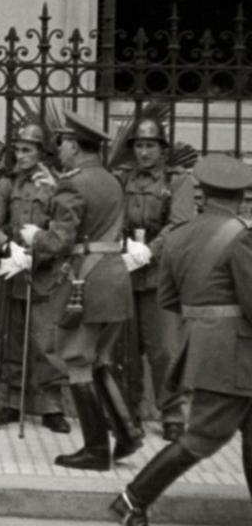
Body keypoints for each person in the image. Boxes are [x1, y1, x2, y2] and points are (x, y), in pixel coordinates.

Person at [109, 154, 252, 526]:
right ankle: (132, 499)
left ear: (204, 193)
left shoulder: (179, 235)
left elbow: (168, 299)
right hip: (235, 353)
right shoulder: (241, 236)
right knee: (203, 437)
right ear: (240, 195)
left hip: (206, 347)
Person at [22, 110, 146, 470]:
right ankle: (126, 434)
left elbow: (61, 239)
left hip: (86, 283)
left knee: (77, 361)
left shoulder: (72, 183)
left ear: (75, 146)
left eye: (62, 143)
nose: (58, 149)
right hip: (113, 279)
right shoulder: (109, 179)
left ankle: (96, 450)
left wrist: (35, 238)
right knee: (99, 360)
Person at [0, 123, 71, 433]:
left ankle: (51, 407)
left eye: (27, 150)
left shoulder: (58, 187)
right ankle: (10, 401)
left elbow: (63, 230)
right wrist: (6, 247)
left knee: (46, 343)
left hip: (46, 275)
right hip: (11, 273)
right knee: (11, 340)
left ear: (42, 153)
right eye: (17, 149)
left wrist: (36, 255)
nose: (20, 156)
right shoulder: (7, 185)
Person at [113, 116, 196, 442]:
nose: (144, 152)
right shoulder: (122, 178)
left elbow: (180, 224)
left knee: (164, 349)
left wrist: (149, 251)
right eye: (139, 145)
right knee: (127, 350)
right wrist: (124, 247)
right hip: (126, 273)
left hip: (160, 276)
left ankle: (172, 412)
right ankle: (127, 411)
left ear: (163, 149)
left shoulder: (177, 181)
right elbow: (110, 216)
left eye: (150, 145)